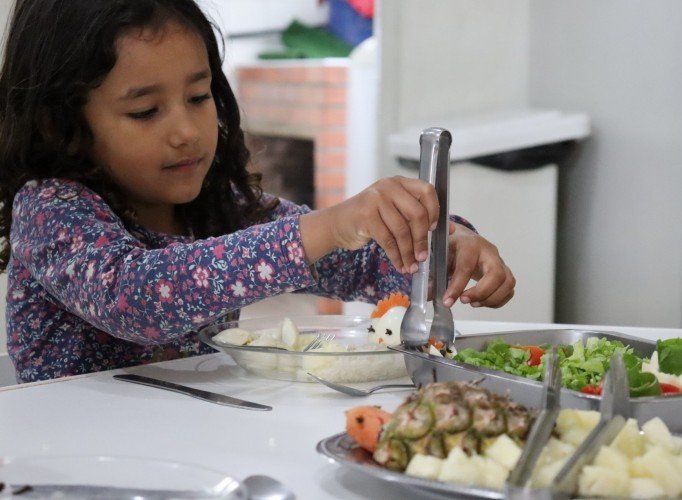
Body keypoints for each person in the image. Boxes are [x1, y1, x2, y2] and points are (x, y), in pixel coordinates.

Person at [0, 0, 515, 383]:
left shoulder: (222, 206)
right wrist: (325, 225)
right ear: (62, 122)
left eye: (198, 97)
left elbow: (361, 265)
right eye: (145, 111)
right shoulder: (50, 209)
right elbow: (135, 296)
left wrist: (443, 249)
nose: (185, 130)